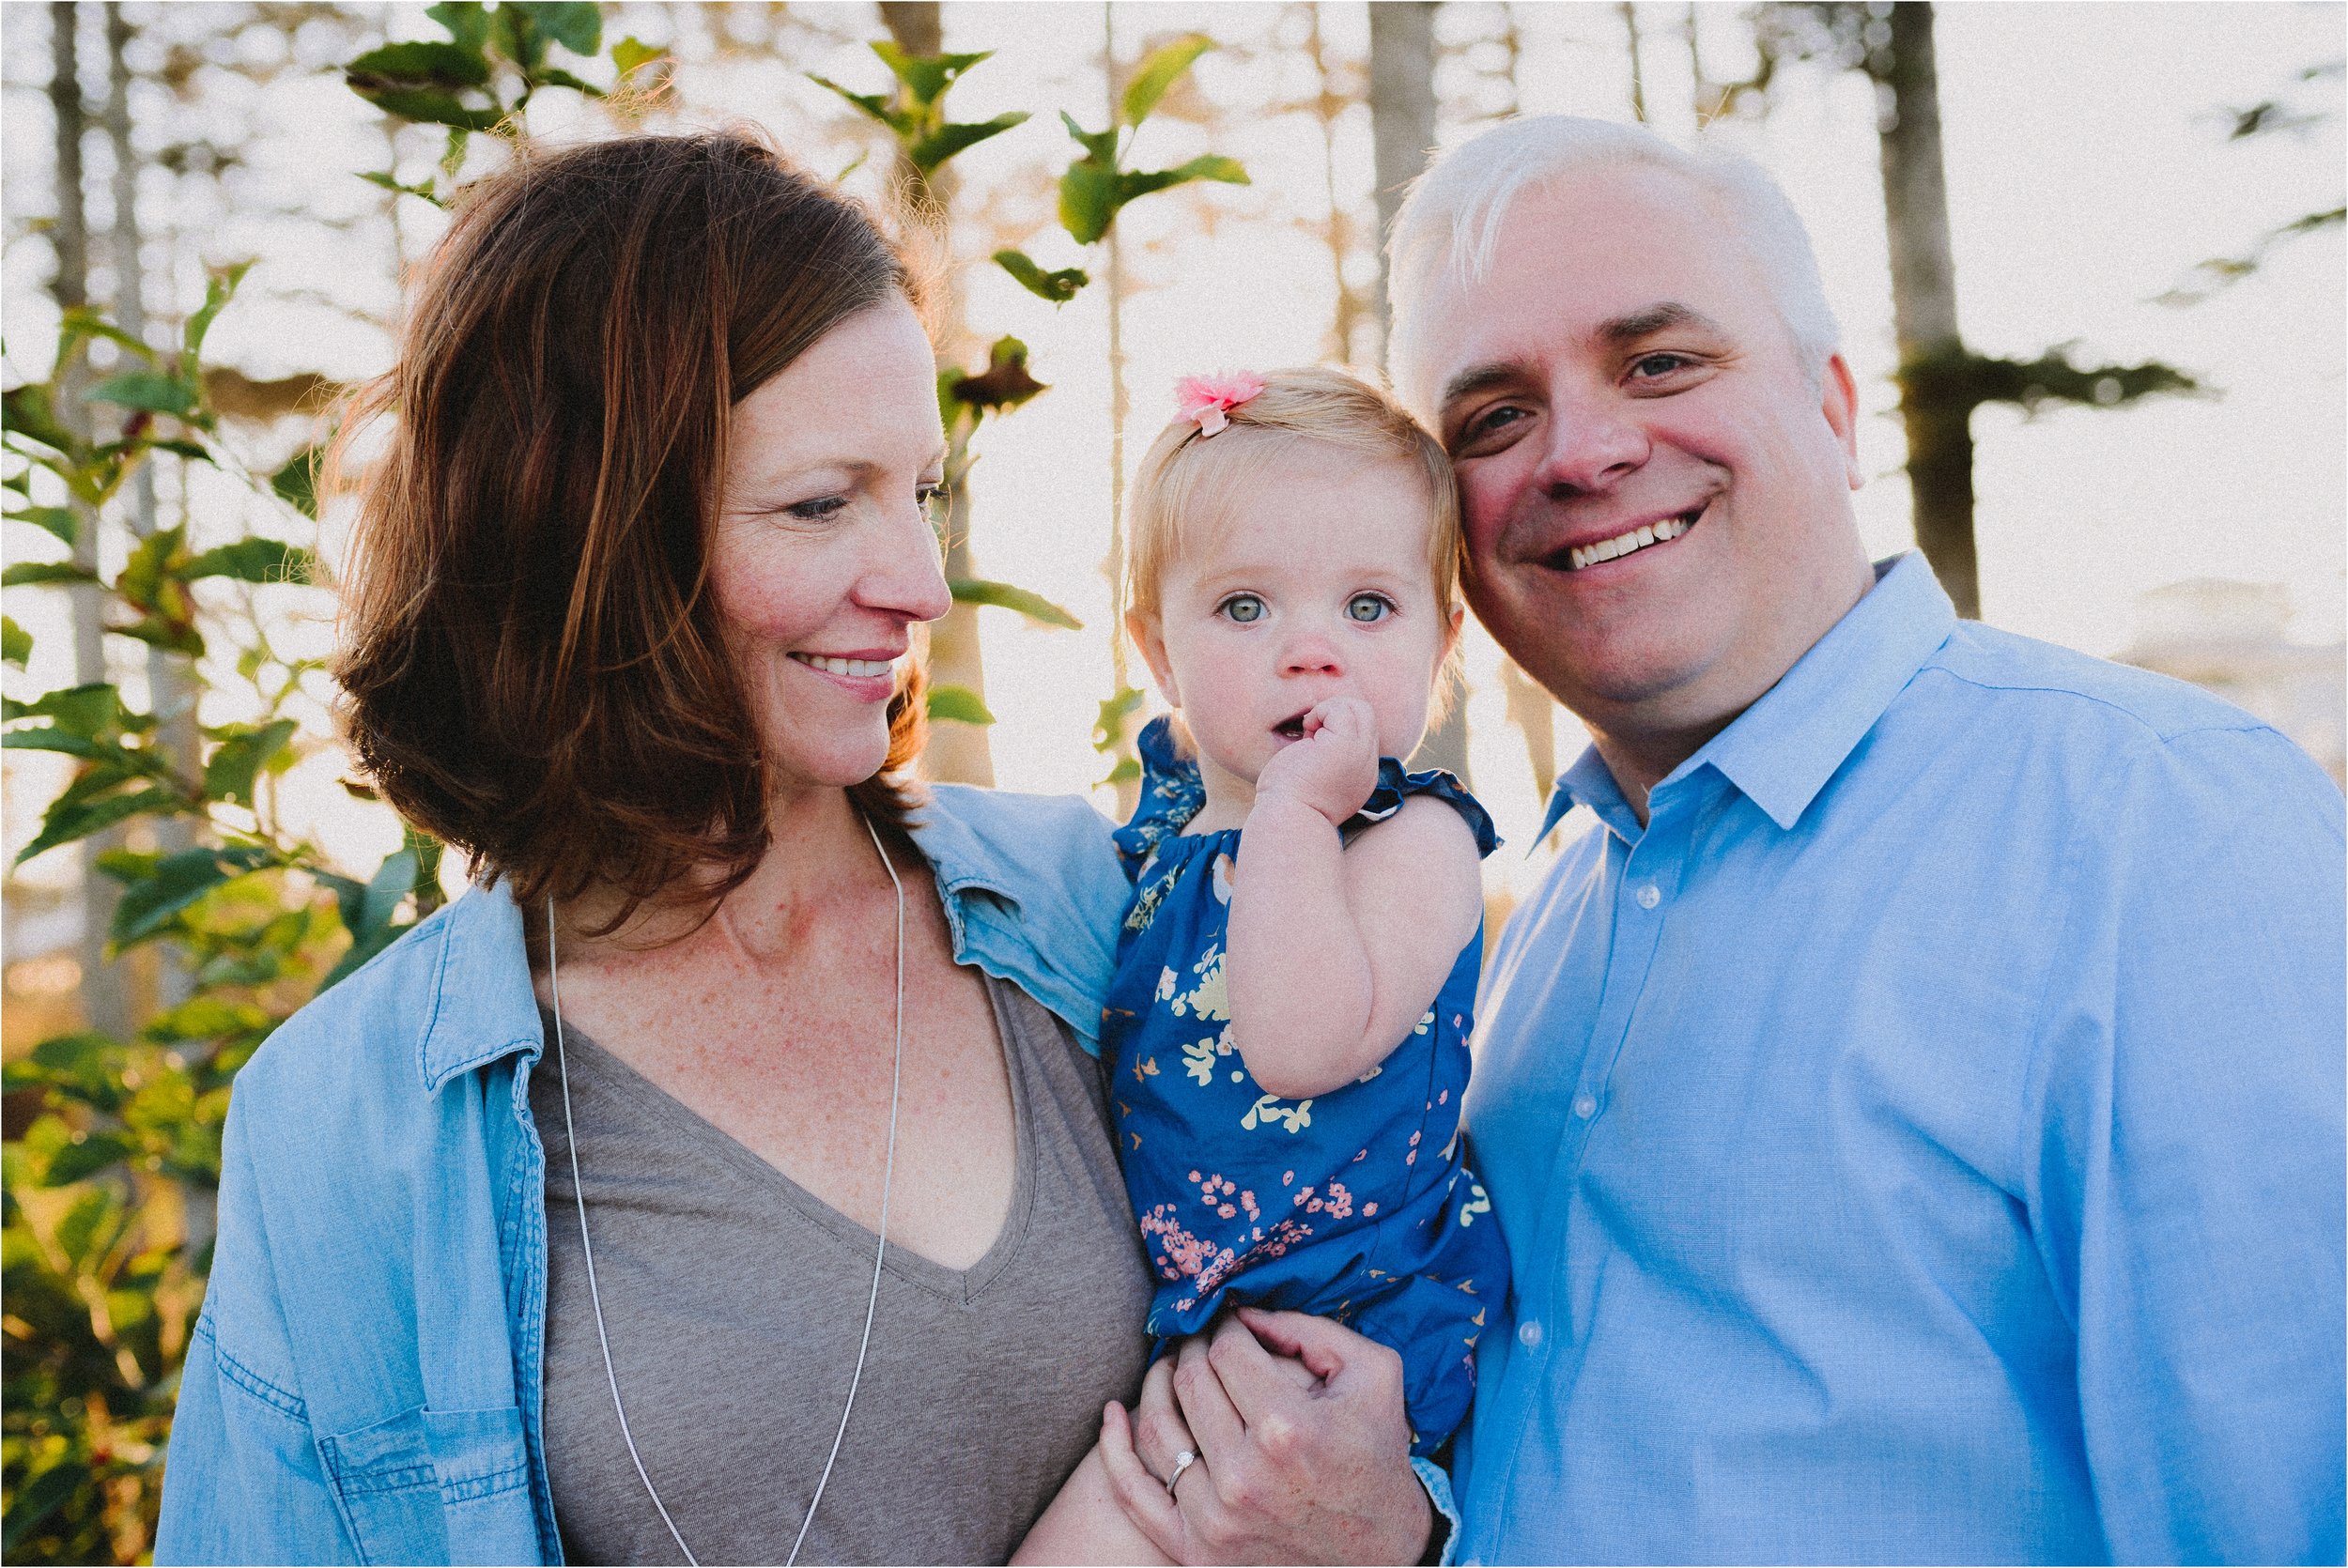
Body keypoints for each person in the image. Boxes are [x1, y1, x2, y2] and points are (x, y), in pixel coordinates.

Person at [151, 131, 1429, 1567]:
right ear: (592, 536)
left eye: (923, 493)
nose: (922, 585)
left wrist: (1401, 1523)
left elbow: (1396, 1319)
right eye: (823, 503)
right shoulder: (347, 1127)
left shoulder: (1094, 901)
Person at [1380, 114, 2347, 1565]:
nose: (1581, 450)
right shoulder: (1544, 904)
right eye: (1493, 417)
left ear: (1832, 406)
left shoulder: (2163, 831)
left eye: (1658, 360)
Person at [1017, 369, 1509, 1564]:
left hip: (1344, 1339)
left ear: (1443, 643)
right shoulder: (1153, 840)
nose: (1311, 653)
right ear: (1158, 649)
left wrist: (1293, 813)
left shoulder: (1412, 841)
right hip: (1194, 1335)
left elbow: (1298, 1039)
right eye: (1244, 608)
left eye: (1369, 607)